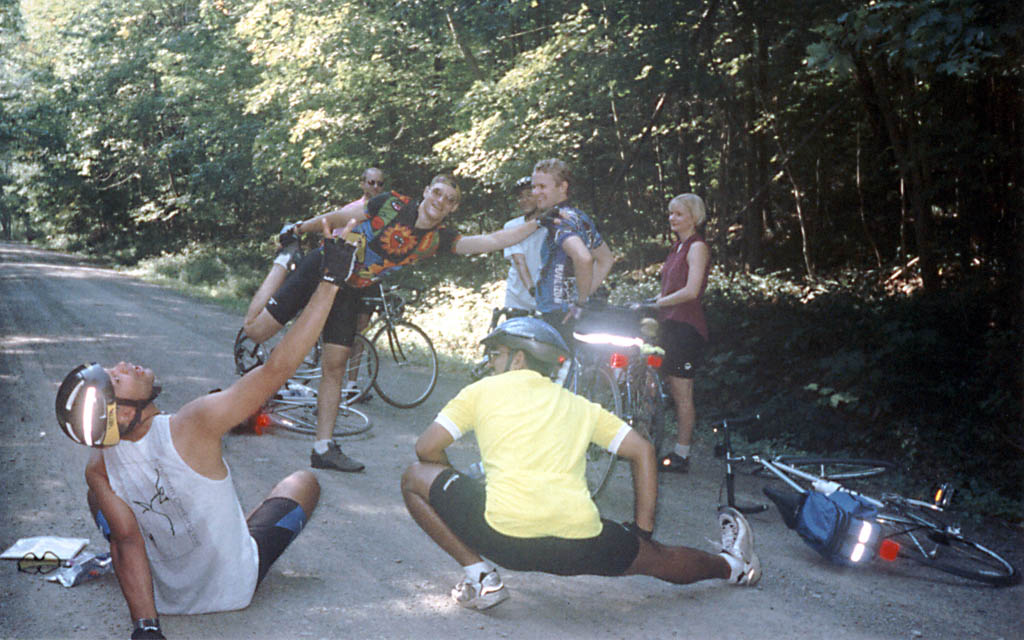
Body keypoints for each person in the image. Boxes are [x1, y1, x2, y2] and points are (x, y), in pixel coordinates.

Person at [55, 226, 359, 640]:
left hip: (166, 598)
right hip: (236, 587)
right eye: (116, 378)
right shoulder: (192, 423)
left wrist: (146, 628)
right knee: (304, 481)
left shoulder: (99, 464)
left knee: (104, 504)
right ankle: (244, 532)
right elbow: (276, 370)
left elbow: (125, 542)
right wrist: (329, 283)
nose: (123, 365)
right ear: (122, 413)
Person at [400, 316, 760, 611]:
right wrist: (643, 534)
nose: (491, 362)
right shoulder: (578, 405)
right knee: (660, 559)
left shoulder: (480, 392)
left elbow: (426, 448)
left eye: (496, 354)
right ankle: (734, 567)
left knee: (415, 477)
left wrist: (463, 487)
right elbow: (642, 451)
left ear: (519, 358)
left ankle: (480, 576)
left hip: (504, 538)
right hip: (581, 544)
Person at [241, 174, 558, 473]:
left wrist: (538, 224)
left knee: (335, 364)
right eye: (437, 193)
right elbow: (341, 216)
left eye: (449, 199)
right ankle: (282, 262)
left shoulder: (438, 239)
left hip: (350, 290)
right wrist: (298, 229)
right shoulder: (392, 204)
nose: (440, 201)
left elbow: (492, 239)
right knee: (258, 331)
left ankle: (323, 448)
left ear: (453, 208)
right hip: (323, 265)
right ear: (426, 192)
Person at [651, 194, 711, 473]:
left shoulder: (697, 247)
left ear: (694, 216)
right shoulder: (677, 247)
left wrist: (657, 303)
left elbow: (691, 291)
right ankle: (665, 447)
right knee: (668, 390)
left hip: (687, 327)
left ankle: (682, 455)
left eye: (678, 214)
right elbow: (668, 289)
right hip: (669, 324)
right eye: (670, 213)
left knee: (683, 393)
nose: (672, 218)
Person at [530, 159, 616, 343]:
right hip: (567, 313)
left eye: (542, 186)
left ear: (563, 187)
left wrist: (580, 302)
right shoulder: (579, 217)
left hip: (556, 313)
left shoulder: (559, 222)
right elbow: (606, 259)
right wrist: (581, 298)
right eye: (534, 186)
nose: (536, 192)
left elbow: (583, 258)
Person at [501, 176, 546, 313]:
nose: (524, 200)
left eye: (529, 195)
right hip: (517, 299)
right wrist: (532, 289)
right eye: (520, 197)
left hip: (547, 299)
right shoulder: (511, 226)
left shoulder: (550, 226)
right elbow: (519, 261)